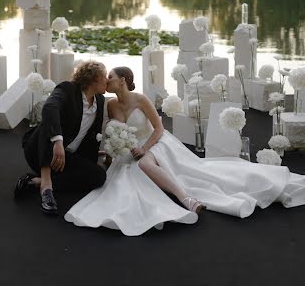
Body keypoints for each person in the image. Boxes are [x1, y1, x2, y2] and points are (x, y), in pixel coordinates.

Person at [64, 66, 305, 236]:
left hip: (155, 142)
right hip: (130, 150)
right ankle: (182, 196)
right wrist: (110, 153)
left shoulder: (141, 99)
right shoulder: (110, 104)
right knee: (126, 181)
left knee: (147, 165)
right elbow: (112, 132)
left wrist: (144, 148)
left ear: (123, 80)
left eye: (111, 77)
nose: (107, 81)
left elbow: (158, 128)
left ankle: (187, 200)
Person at [14, 61, 107, 215]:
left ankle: (35, 182)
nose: (107, 80)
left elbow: (90, 134)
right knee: (49, 118)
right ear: (95, 78)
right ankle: (46, 186)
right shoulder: (67, 89)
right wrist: (58, 141)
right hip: (40, 151)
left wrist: (92, 158)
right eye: (105, 76)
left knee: (99, 176)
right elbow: (50, 107)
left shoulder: (100, 101)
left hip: (64, 159)